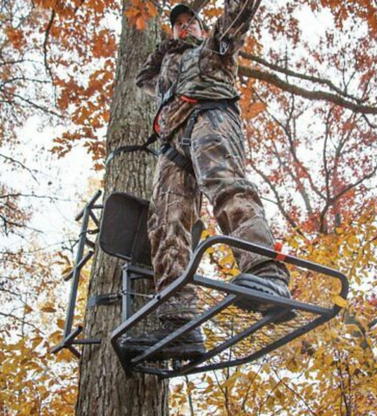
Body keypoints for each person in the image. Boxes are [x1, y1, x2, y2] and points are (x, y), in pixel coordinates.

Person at [127, 1, 294, 360]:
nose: (185, 26)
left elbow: (239, 13)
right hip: (172, 144)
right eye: (178, 24)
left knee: (226, 186)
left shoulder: (214, 45)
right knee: (165, 221)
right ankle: (178, 319)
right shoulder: (165, 67)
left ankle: (265, 272)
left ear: (204, 29)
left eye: (192, 22)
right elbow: (143, 78)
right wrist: (167, 46)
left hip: (211, 116)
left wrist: (201, 33)